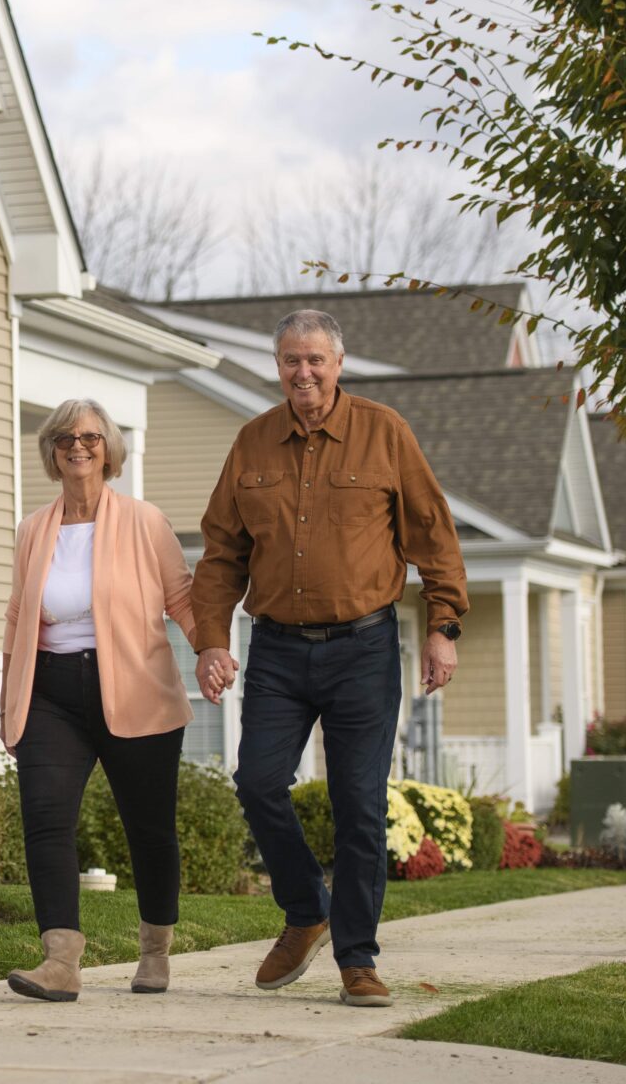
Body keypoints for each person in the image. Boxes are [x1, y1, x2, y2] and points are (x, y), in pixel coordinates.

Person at [192, 309, 466, 1008]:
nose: (303, 372)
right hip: (279, 647)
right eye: (291, 361)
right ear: (278, 366)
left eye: (315, 360)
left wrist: (443, 626)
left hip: (365, 648)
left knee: (359, 807)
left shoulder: (384, 433)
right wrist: (213, 641)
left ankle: (357, 959)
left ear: (338, 365)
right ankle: (306, 909)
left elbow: (433, 533)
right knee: (256, 781)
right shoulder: (253, 443)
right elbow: (222, 550)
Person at [0, 398, 199, 1002]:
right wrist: (8, 696)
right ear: (51, 451)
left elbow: (182, 598)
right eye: (64, 436)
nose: (77, 445)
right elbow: (17, 618)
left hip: (135, 689)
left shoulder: (144, 521)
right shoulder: (35, 528)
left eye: (89, 436)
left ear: (109, 448)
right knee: (45, 819)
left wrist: (211, 652)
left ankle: (155, 950)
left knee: (150, 829)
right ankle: (60, 960)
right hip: (50, 693)